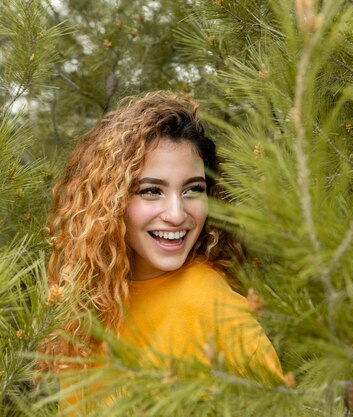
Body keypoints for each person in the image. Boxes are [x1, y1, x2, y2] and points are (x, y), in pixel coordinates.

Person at [43, 92, 282, 412]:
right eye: (151, 191)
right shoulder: (85, 306)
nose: (176, 213)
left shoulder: (213, 305)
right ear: (111, 201)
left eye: (193, 190)